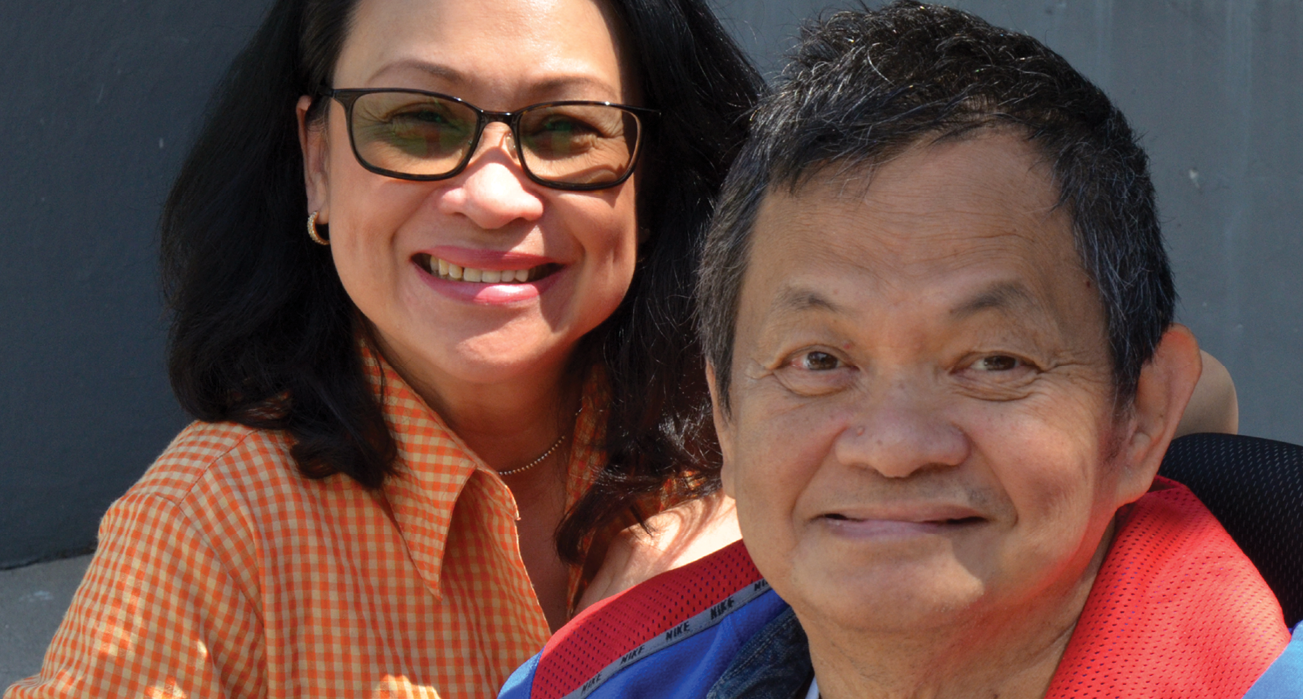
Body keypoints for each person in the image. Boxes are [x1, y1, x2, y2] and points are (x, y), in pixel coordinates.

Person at [503, 3, 1303, 698]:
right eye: (817, 360)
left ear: (1140, 416)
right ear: (724, 411)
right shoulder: (593, 679)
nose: (893, 446)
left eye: (993, 362)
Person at [5, 0, 759, 696]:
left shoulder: (761, 458)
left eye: (565, 129)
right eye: (417, 122)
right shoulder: (206, 532)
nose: (493, 198)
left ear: (649, 180)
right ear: (318, 165)